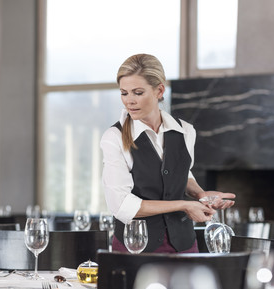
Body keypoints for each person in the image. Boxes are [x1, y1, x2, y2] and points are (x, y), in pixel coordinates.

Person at [100, 54, 235, 253]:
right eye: (124, 93)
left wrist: (201, 194)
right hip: (136, 245)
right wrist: (184, 206)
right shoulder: (114, 137)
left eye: (138, 92)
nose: (129, 101)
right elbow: (122, 205)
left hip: (184, 244)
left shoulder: (186, 131)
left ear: (159, 90)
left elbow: (183, 174)